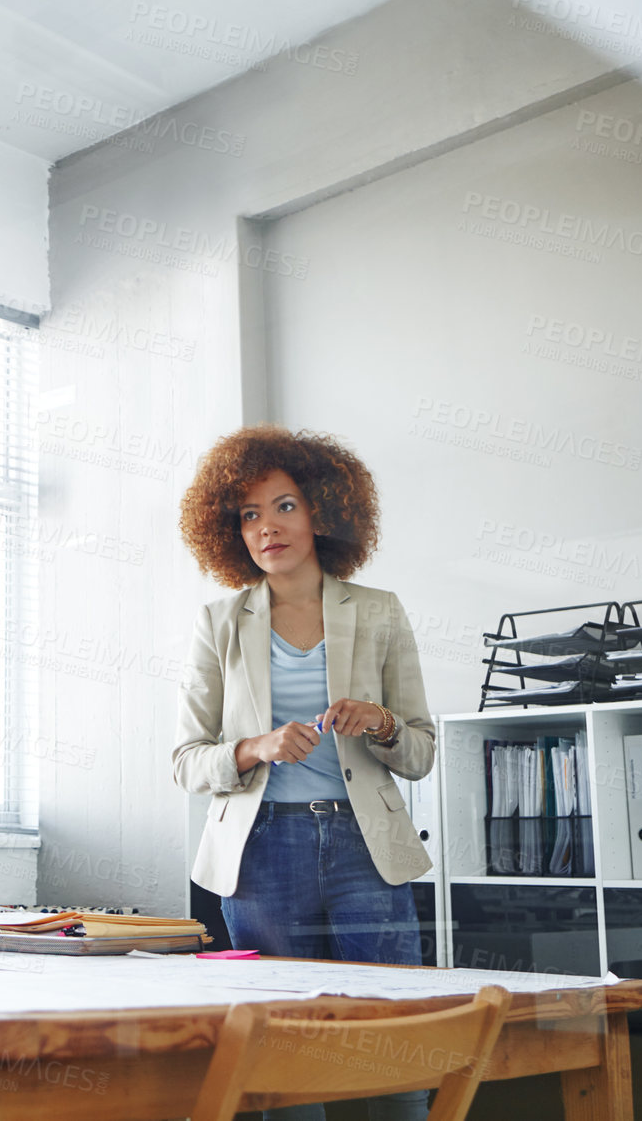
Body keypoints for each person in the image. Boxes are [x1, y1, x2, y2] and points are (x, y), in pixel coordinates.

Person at [173, 425, 437, 1121]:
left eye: (284, 506)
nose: (267, 527)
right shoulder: (219, 621)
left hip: (363, 848)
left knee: (392, 1037)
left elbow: (421, 751)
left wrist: (379, 723)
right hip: (261, 853)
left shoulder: (378, 612)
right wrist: (255, 747)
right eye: (249, 514)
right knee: (280, 1048)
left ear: (322, 509)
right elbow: (186, 760)